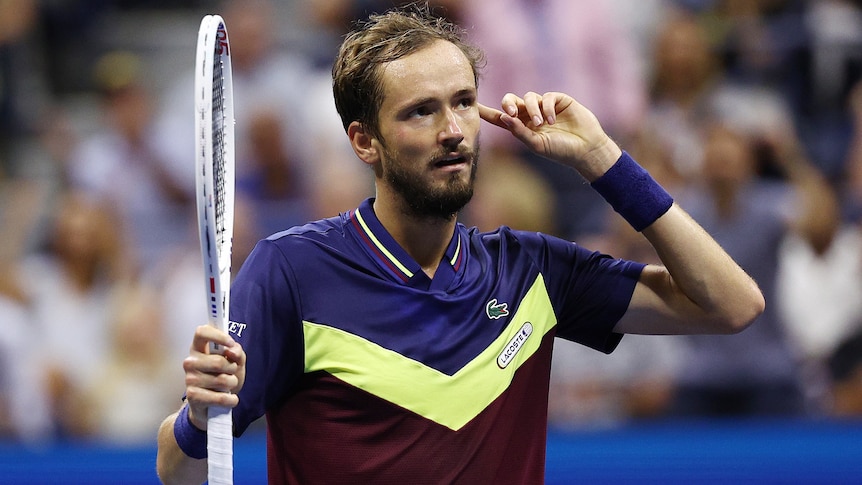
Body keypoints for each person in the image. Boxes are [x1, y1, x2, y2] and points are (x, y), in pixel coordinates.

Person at [156, 6, 764, 484]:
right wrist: (197, 418)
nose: (452, 131)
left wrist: (602, 159)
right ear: (364, 141)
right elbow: (178, 471)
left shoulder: (533, 271)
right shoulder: (291, 271)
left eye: (464, 103)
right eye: (420, 112)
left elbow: (731, 306)